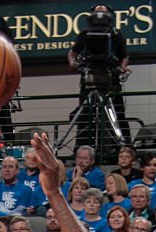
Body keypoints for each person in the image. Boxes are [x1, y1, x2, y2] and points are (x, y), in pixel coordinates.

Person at [67, 4, 130, 151]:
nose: (100, 12)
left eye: (103, 10)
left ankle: (123, 149)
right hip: (89, 79)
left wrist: (122, 67)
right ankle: (81, 149)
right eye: (97, 10)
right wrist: (73, 63)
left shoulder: (116, 34)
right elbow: (72, 52)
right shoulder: (84, 33)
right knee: (85, 117)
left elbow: (124, 56)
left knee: (117, 114)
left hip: (111, 80)